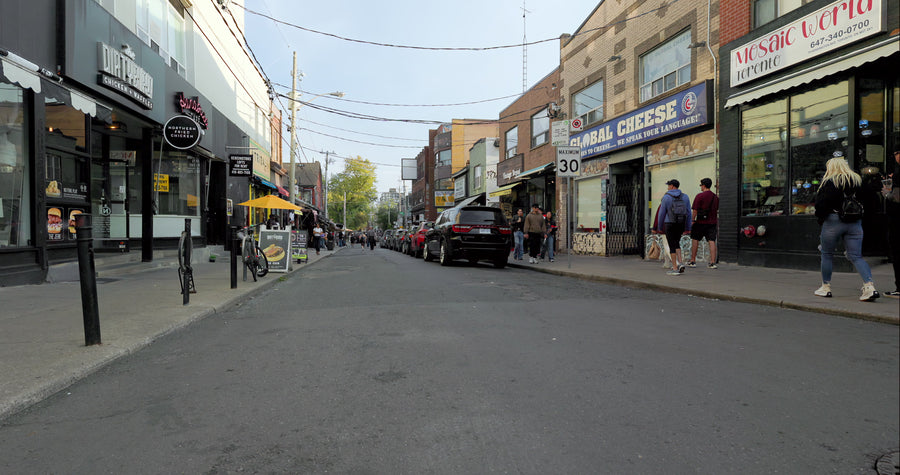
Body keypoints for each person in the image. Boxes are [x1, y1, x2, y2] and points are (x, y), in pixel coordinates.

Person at [813, 157, 879, 301]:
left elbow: (820, 205)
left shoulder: (829, 182)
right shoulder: (858, 181)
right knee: (856, 256)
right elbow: (873, 200)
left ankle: (826, 287)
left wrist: (821, 219)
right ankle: (869, 286)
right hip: (855, 222)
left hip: (833, 221)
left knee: (827, 254)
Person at [657, 179, 692, 276]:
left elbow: (661, 214)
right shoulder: (685, 197)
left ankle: (675, 268)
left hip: (670, 223)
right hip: (681, 223)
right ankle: (680, 263)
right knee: (677, 242)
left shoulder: (666, 197)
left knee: (672, 245)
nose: (668, 187)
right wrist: (688, 227)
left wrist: (660, 227)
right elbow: (689, 213)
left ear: (672, 186)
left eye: (668, 185)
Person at [688, 177, 719, 269]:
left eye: (701, 185)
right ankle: (712, 262)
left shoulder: (699, 196)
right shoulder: (715, 197)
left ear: (704, 185)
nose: (700, 187)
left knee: (695, 239)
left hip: (700, 222)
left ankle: (693, 261)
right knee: (712, 241)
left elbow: (695, 210)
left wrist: (693, 220)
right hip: (712, 222)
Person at [882, 150, 900, 297]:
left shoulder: (899, 173)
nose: (896, 156)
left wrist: (887, 193)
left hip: (897, 219)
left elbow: (897, 197)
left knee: (897, 252)